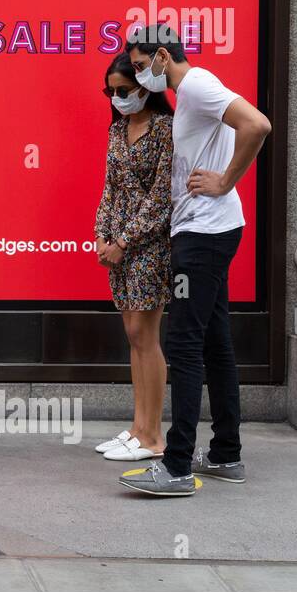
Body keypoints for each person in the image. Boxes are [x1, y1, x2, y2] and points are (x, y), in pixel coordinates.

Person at [118, 24, 271, 497]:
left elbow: (258, 124)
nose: (141, 79)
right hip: (207, 232)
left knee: (183, 343)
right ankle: (226, 453)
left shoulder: (198, 85)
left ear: (163, 56)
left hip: (203, 236)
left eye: (143, 67)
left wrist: (226, 181)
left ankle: (178, 466)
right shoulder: (191, 94)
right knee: (215, 343)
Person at [93, 52, 174, 462]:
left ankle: (153, 436)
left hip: (148, 247)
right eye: (110, 92)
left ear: (144, 87)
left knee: (146, 335)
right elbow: (109, 188)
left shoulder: (165, 130)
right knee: (133, 336)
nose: (116, 98)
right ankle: (137, 427)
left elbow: (161, 198)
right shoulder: (117, 129)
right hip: (118, 249)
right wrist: (102, 236)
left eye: (123, 90)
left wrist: (124, 241)